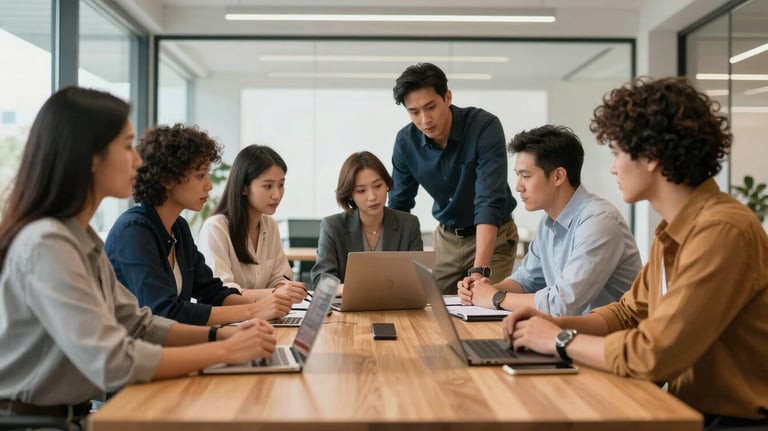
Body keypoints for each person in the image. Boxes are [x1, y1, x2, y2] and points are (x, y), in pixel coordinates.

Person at [0, 87, 276, 429]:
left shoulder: (81, 238)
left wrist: (220, 336)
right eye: (128, 146)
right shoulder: (48, 244)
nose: (138, 161)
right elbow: (111, 360)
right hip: (33, 424)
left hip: (70, 417)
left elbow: (137, 323)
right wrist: (225, 352)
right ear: (91, 157)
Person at [503, 77, 768, 428]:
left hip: (732, 421)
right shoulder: (673, 230)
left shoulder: (721, 229)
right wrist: (554, 322)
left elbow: (654, 354)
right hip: (684, 407)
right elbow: (628, 313)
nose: (612, 167)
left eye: (617, 152)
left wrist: (559, 340)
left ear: (652, 156)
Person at [105, 124, 293, 326]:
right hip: (136, 353)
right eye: (200, 176)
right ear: (167, 179)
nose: (209, 185)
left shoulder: (178, 227)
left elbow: (212, 292)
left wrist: (266, 307)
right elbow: (165, 313)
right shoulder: (134, 232)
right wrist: (253, 311)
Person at [458, 125, 641, 315]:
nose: (518, 187)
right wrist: (483, 289)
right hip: (572, 334)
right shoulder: (548, 222)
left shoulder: (600, 221)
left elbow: (562, 305)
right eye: (518, 175)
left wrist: (496, 298)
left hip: (612, 340)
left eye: (526, 176)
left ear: (558, 176)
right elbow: (527, 280)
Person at [388, 62, 518, 294]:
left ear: (447, 97)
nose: (425, 119)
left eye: (431, 107)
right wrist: (391, 268)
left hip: (494, 236)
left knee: (483, 308)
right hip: (446, 239)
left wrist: (480, 269)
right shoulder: (405, 142)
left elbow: (488, 199)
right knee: (428, 306)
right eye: (414, 112)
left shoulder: (483, 127)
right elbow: (399, 206)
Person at [197, 145, 306, 302]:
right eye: (268, 186)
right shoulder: (216, 228)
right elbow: (221, 292)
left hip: (262, 318)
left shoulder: (270, 225)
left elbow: (280, 279)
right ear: (243, 188)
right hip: (226, 322)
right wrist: (276, 293)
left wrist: (288, 289)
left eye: (281, 185)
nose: (277, 194)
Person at [311, 151, 422, 291]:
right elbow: (321, 281)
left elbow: (419, 279)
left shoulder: (409, 224)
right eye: (361, 191)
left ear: (387, 185)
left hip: (397, 308)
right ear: (350, 195)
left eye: (377, 186)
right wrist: (351, 289)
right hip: (348, 308)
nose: (372, 197)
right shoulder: (333, 226)